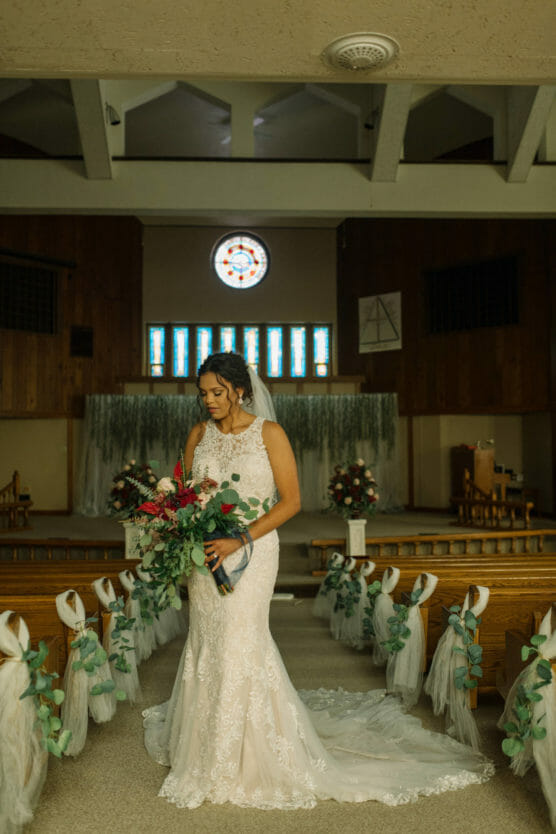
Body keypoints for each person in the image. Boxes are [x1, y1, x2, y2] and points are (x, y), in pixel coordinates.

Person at [143, 352, 493, 810]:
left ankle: (237, 755)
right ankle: (203, 742)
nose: (208, 401)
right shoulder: (197, 434)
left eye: (217, 392)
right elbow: (186, 494)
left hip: (251, 551)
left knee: (239, 639)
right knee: (207, 640)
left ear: (240, 390)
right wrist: (179, 526)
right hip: (204, 557)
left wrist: (240, 539)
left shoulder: (268, 433)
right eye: (203, 393)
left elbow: (290, 502)